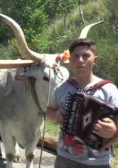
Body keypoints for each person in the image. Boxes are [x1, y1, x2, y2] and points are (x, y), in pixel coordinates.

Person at [47, 38, 118, 168]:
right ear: (71, 61)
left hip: (98, 163)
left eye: (85, 56)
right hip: (64, 159)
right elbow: (47, 111)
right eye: (76, 56)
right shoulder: (62, 88)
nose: (80, 60)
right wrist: (56, 115)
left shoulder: (109, 90)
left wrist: (114, 130)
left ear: (94, 60)